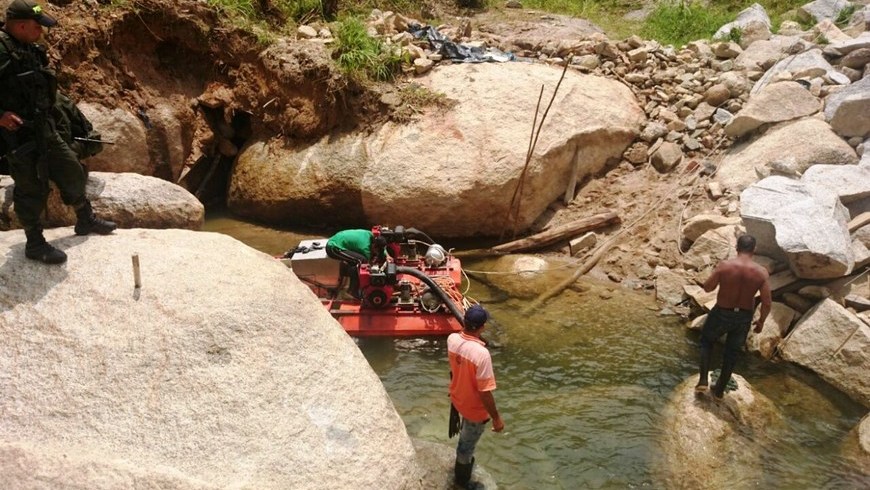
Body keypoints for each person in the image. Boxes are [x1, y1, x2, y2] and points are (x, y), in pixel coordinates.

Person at [0, 0, 116, 265]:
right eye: (37, 26)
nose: (41, 32)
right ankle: (34, 243)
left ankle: (85, 218)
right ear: (20, 25)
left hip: (43, 127)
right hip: (18, 136)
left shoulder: (27, 47)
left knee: (71, 169)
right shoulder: (2, 50)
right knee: (31, 188)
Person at [696, 234, 772, 400]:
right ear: (754, 250)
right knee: (731, 353)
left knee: (706, 342)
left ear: (737, 248)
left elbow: (708, 288)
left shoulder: (725, 266)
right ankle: (719, 389)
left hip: (722, 312)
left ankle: (703, 380)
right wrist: (761, 322)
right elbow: (766, 302)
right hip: (743, 317)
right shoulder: (761, 272)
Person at [447, 304, 504, 487]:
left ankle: (463, 470)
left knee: (465, 439)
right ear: (482, 327)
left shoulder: (452, 339)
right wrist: (496, 418)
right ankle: (462, 481)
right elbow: (485, 392)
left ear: (464, 321)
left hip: (457, 399)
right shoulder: (482, 354)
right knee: (466, 447)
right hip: (474, 410)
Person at [325, 228, 387, 298]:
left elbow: (381, 249)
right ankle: (352, 291)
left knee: (355, 260)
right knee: (360, 261)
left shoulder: (370, 234)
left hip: (338, 240)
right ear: (374, 246)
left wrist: (386, 256)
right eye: (376, 251)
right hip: (333, 247)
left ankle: (347, 275)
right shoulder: (365, 248)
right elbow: (368, 264)